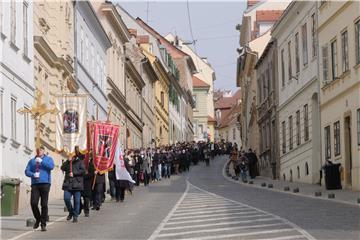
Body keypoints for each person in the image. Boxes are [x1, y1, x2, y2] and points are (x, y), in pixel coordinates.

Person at [25, 145, 54, 231]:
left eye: (41, 150)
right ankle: (38, 218)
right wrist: (33, 174)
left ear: (43, 151)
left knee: (44, 204)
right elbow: (26, 171)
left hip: (45, 183)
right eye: (38, 150)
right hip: (35, 184)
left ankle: (43, 224)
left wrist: (42, 162)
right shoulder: (32, 161)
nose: (39, 151)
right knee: (33, 203)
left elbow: (51, 167)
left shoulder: (48, 159)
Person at [61, 146, 86, 223]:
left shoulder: (80, 162)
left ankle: (75, 216)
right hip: (68, 184)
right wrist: (67, 161)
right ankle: (71, 212)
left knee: (77, 201)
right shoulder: (68, 162)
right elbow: (62, 168)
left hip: (77, 184)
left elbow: (83, 171)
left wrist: (74, 173)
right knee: (66, 199)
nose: (71, 156)